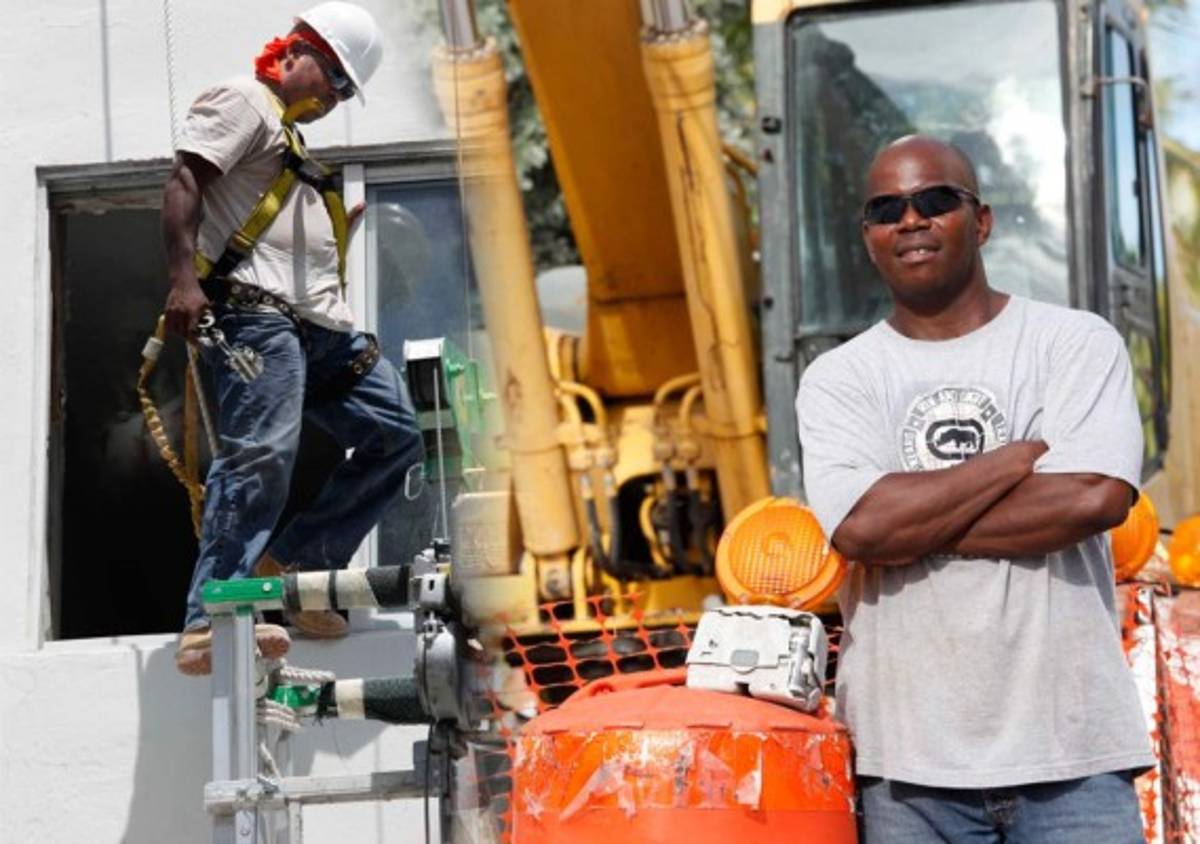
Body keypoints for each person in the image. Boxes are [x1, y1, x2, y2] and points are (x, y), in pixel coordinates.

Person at [795, 135, 1153, 842]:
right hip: (909, 775)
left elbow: (1092, 500)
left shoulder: (1074, 344)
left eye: (935, 201)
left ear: (980, 221)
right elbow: (862, 531)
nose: (911, 220)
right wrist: (1012, 460)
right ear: (867, 237)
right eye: (886, 209)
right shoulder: (840, 379)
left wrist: (911, 521)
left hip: (1073, 761)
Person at [162, 2, 424, 675]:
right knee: (261, 456)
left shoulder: (288, 140)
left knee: (395, 434)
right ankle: (211, 621)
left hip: (316, 329)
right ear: (290, 54)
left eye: (343, 91)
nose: (334, 97)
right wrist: (184, 281)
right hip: (257, 316)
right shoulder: (246, 99)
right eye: (332, 78)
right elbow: (186, 180)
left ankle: (301, 562)